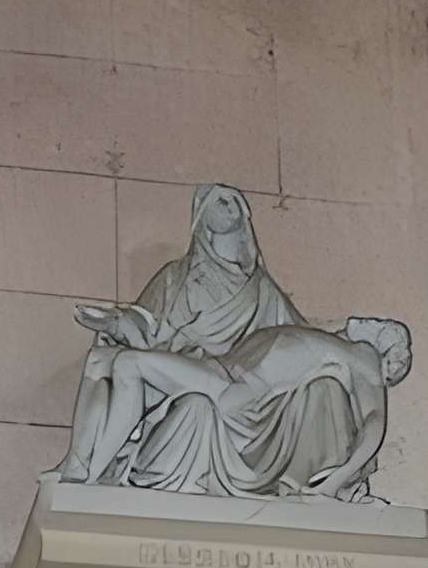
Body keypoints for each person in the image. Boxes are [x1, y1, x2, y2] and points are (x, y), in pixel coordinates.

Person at [56, 183, 301, 486]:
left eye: (234, 201)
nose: (230, 206)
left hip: (228, 381)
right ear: (202, 215)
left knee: (129, 364)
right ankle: (79, 463)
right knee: (100, 359)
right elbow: (146, 323)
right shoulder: (175, 276)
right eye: (220, 201)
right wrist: (117, 322)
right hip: (175, 371)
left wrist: (355, 338)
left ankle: (91, 474)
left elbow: (302, 335)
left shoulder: (261, 289)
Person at [101, 316, 410, 498]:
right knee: (126, 363)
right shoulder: (327, 339)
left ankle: (93, 473)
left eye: (386, 329)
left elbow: (375, 421)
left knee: (129, 364)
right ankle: (92, 472)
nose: (374, 321)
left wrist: (337, 481)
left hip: (236, 395)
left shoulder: (365, 356)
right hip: (223, 372)